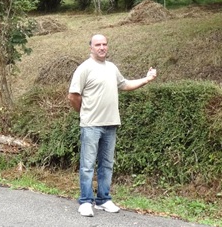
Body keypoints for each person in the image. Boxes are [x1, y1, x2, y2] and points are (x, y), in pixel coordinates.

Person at [67, 34, 157, 217]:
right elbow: (73, 96)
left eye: (104, 44)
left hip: (111, 124)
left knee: (107, 164)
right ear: (90, 47)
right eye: (97, 44)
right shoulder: (84, 68)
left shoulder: (111, 68)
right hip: (91, 125)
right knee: (87, 164)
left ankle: (103, 200)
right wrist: (83, 113)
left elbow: (124, 85)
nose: (102, 47)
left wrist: (146, 79)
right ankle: (85, 201)